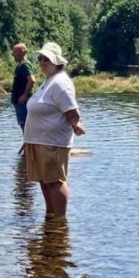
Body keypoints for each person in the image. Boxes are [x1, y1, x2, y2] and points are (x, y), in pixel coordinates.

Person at [23, 43, 85, 220]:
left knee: (55, 181)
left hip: (53, 142)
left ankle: (59, 220)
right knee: (44, 180)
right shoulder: (49, 81)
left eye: (47, 59)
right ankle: (50, 216)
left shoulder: (60, 83)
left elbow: (71, 110)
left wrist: (75, 124)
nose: (42, 62)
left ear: (57, 62)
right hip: (39, 140)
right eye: (41, 58)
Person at [10, 43, 35, 131]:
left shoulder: (24, 65)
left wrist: (25, 95)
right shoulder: (21, 64)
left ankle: (29, 144)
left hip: (23, 103)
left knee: (26, 128)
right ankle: (28, 144)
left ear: (22, 52)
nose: (13, 54)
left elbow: (32, 80)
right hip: (20, 103)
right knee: (25, 127)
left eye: (15, 52)